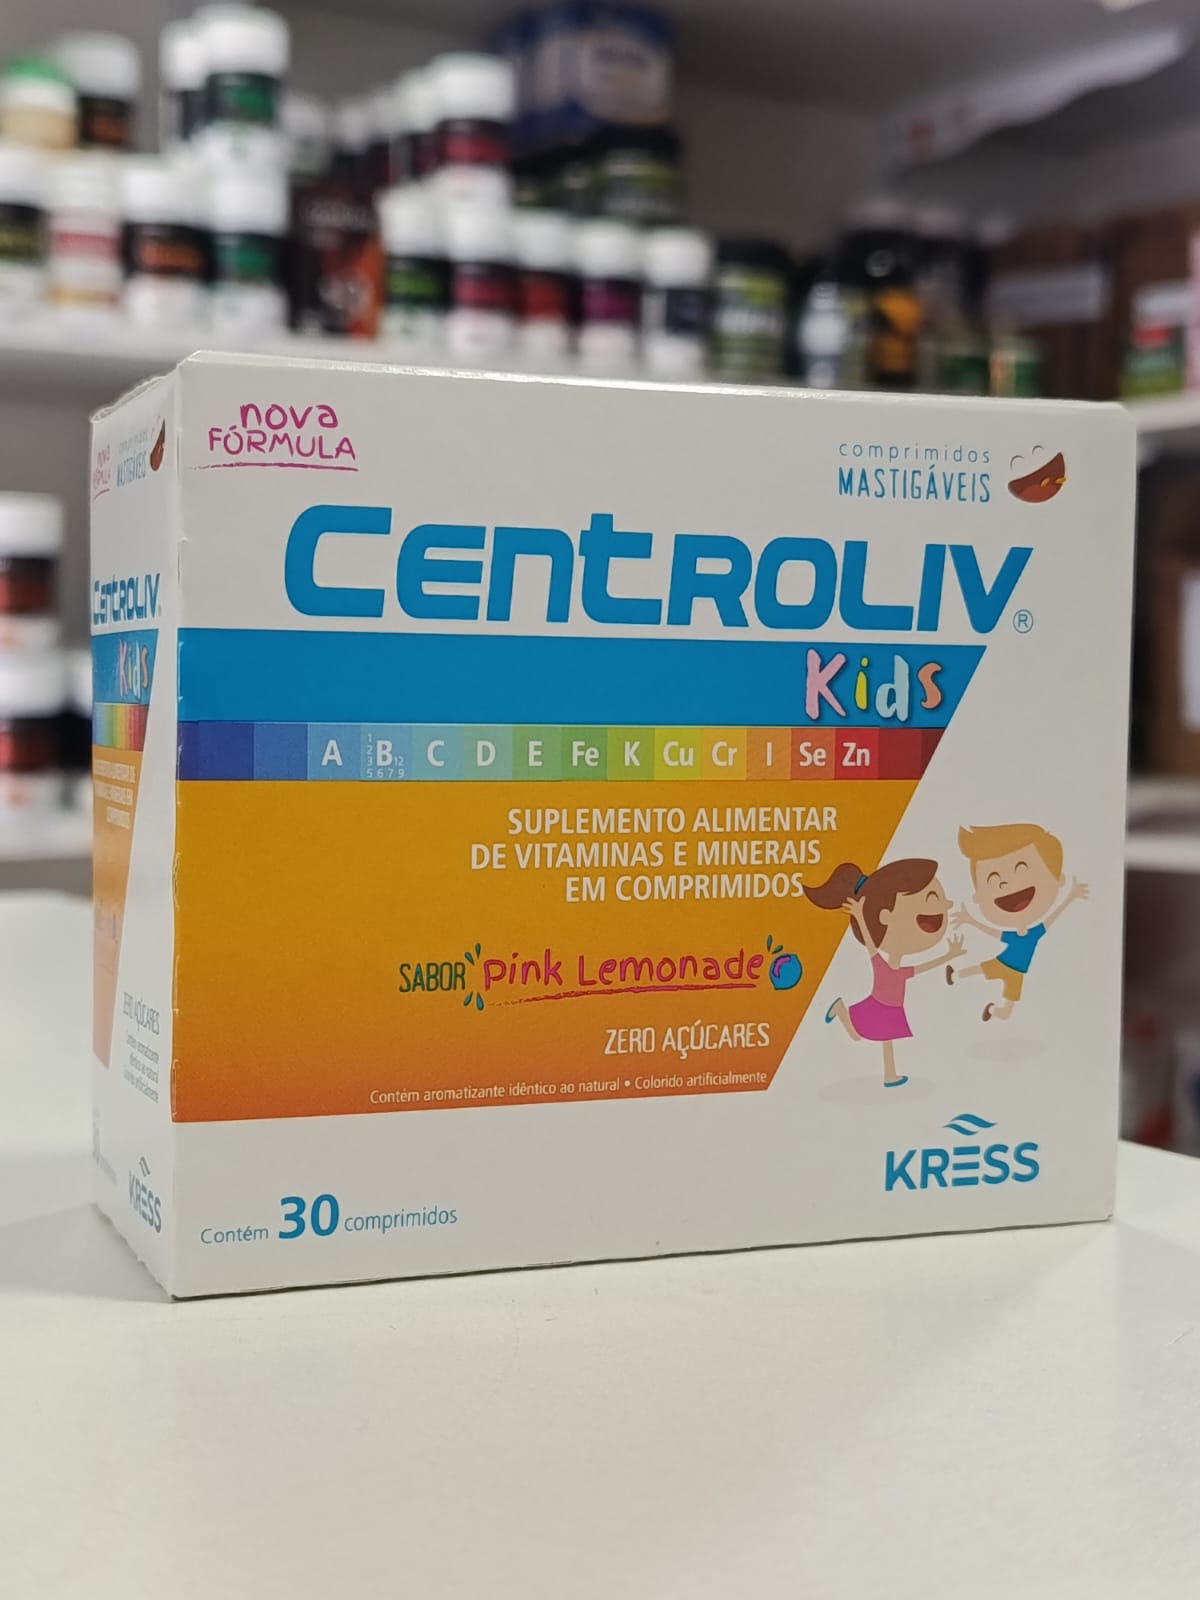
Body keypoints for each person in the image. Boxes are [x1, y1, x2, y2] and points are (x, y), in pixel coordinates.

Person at [806, 858, 964, 1088]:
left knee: (885, 1040)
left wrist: (949, 955)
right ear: (885, 917)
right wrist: (860, 915)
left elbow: (923, 967)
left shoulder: (901, 971)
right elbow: (871, 944)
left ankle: (890, 1075)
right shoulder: (881, 964)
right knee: (859, 1036)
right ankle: (841, 1009)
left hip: (892, 1009)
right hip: (879, 1006)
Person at [949, 823, 1087, 1022]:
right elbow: (992, 933)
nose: (1005, 883)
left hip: (1017, 972)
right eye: (993, 878)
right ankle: (955, 975)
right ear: (978, 896)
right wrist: (970, 920)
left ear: (1058, 878)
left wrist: (1070, 897)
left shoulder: (1034, 933)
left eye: (1021, 869)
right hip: (1003, 962)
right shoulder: (1023, 935)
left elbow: (1053, 917)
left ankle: (993, 1010)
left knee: (1007, 1004)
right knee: (981, 969)